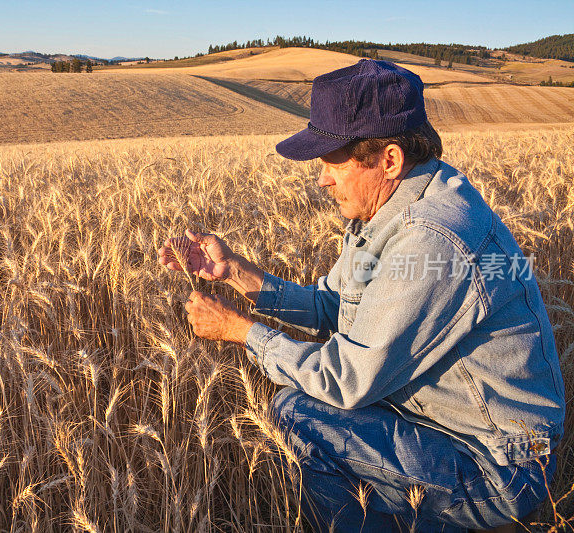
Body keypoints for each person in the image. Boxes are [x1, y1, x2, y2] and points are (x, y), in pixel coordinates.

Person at [157, 59, 565, 532]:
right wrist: (235, 273)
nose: (322, 179)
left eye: (333, 160)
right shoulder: (390, 210)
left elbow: (347, 380)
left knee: (301, 415)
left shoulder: (432, 237)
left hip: (498, 464)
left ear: (388, 159)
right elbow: (334, 305)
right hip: (447, 427)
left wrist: (241, 332)